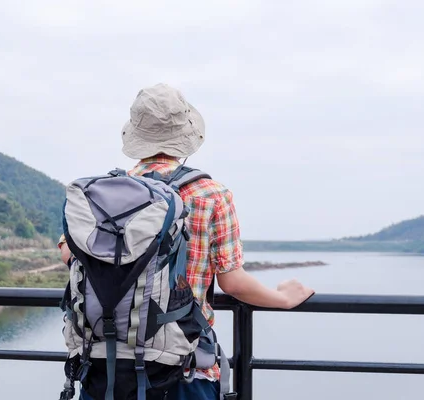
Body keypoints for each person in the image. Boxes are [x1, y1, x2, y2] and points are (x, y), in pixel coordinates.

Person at [58, 83, 315, 400]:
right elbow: (232, 282)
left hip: (108, 365)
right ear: (186, 136)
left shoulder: (104, 196)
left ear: (136, 137)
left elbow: (68, 251)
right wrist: (283, 298)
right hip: (183, 366)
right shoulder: (211, 194)